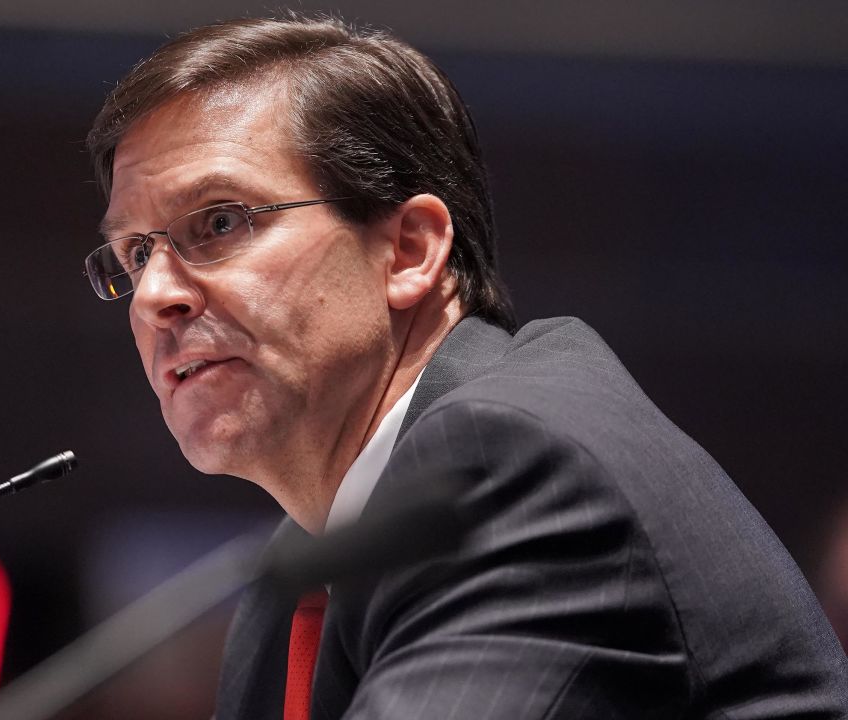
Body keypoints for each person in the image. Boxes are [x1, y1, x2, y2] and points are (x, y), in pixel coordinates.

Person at [81, 14, 848, 719]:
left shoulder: (512, 468)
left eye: (219, 222)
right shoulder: (296, 574)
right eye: (134, 254)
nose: (154, 297)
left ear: (409, 250)